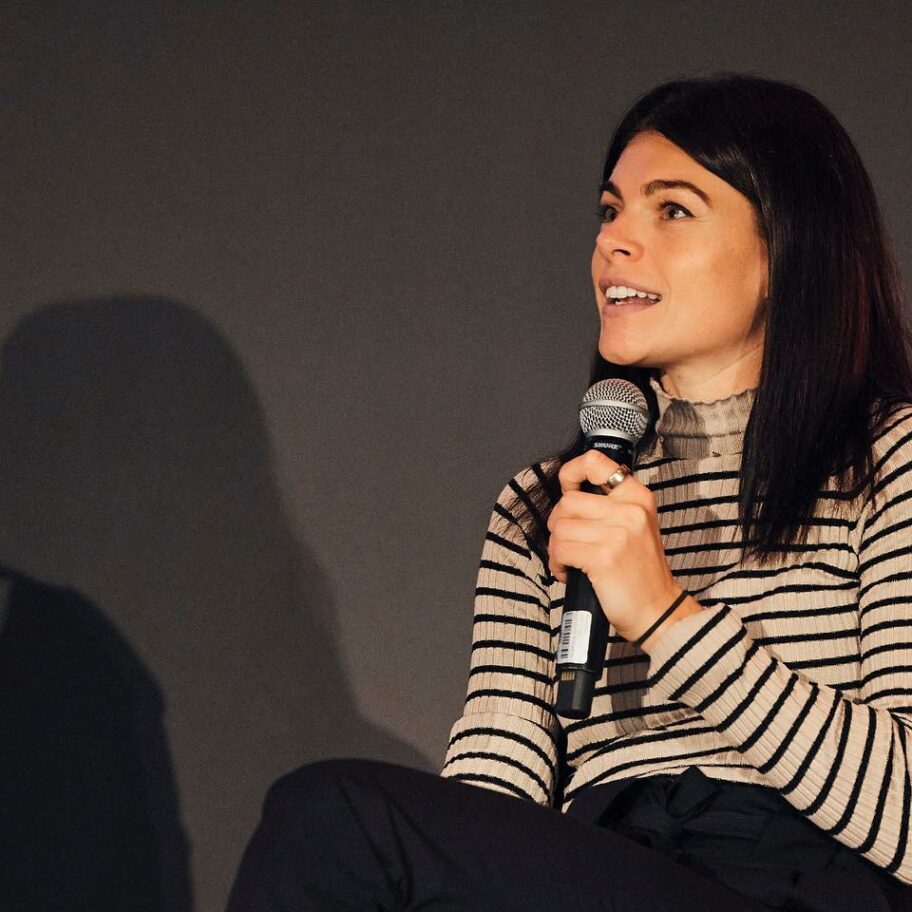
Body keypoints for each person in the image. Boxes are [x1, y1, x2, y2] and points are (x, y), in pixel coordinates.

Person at [226, 74, 912, 911]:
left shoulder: (888, 460)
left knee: (338, 813)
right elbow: (496, 780)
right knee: (340, 829)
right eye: (610, 210)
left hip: (799, 883)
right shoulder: (546, 506)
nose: (617, 242)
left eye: (672, 210)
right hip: (599, 867)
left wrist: (666, 618)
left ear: (788, 249)